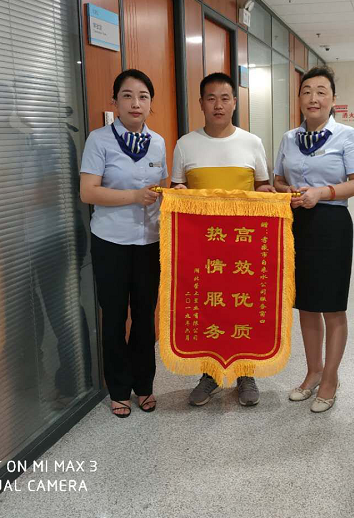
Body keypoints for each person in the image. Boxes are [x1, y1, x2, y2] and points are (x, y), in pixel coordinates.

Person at [171, 72, 275, 407]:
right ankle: (210, 374)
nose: (218, 105)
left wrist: (269, 194)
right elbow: (176, 191)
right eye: (211, 98)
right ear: (201, 103)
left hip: (242, 245)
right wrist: (179, 191)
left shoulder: (252, 142)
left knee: (242, 307)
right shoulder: (185, 144)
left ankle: (246, 373)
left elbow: (262, 187)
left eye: (225, 98)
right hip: (202, 247)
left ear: (234, 102)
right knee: (208, 309)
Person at [273, 66, 354, 413]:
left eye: (321, 91)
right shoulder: (289, 138)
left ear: (333, 99)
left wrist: (322, 193)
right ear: (299, 98)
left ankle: (330, 378)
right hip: (297, 224)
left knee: (332, 305)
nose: (313, 98)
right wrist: (288, 191)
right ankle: (312, 372)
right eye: (307, 91)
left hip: (332, 224)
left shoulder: (346, 136)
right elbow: (277, 179)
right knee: (308, 304)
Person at [80, 69, 168, 417]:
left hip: (149, 241)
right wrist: (133, 196)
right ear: (114, 101)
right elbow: (88, 192)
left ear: (150, 103)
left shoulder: (158, 142)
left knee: (145, 315)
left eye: (143, 96)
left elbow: (162, 191)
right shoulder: (99, 140)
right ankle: (118, 389)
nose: (136, 103)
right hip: (111, 242)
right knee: (115, 316)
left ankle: (144, 385)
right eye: (127, 95)